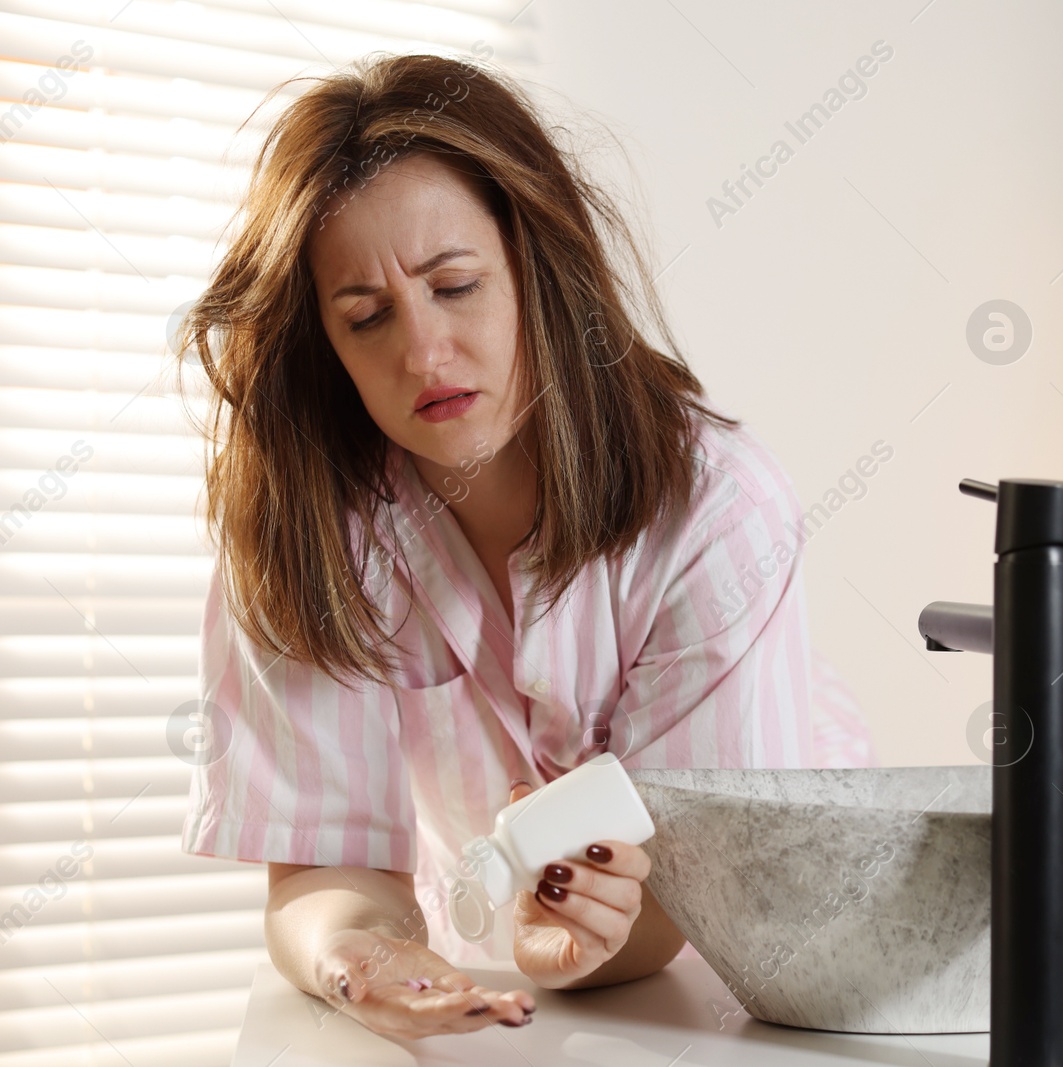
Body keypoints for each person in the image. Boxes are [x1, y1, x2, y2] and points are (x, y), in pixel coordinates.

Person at [176, 52, 875, 1040]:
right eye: (366, 317)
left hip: (779, 961)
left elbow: (697, 895)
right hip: (527, 990)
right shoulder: (312, 533)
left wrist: (584, 939)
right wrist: (362, 962)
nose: (422, 352)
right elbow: (324, 867)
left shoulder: (715, 507)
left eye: (454, 285)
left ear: (535, 269)